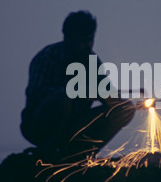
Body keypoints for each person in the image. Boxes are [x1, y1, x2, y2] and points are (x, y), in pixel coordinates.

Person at [20, 11, 135, 160]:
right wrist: (82, 93)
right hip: (39, 126)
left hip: (74, 125)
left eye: (90, 40)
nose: (87, 45)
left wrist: (115, 99)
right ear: (68, 38)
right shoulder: (47, 57)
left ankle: (80, 154)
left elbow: (107, 93)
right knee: (63, 98)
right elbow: (37, 94)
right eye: (82, 41)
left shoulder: (91, 60)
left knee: (125, 109)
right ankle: (49, 152)